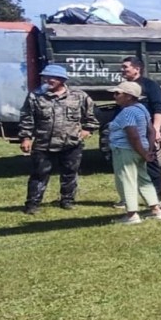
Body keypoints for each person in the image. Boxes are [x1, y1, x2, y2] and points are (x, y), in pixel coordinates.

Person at [18, 64, 99, 214]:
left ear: (62, 80)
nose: (47, 80)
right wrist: (26, 138)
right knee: (39, 175)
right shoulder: (35, 96)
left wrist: (87, 130)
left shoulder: (79, 96)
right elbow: (26, 118)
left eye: (51, 78)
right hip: (44, 143)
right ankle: (32, 205)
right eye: (45, 77)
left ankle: (67, 201)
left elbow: (91, 116)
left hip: (71, 143)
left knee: (70, 173)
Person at [106, 80, 161, 224]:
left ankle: (132, 215)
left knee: (127, 181)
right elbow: (151, 131)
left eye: (117, 93)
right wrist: (149, 150)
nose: (114, 96)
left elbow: (133, 135)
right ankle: (156, 210)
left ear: (129, 96)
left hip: (126, 151)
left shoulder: (127, 112)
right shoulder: (141, 108)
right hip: (141, 150)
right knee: (144, 179)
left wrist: (144, 153)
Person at [119, 55, 161, 207]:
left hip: (146, 132)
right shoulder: (123, 86)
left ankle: (157, 198)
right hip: (128, 130)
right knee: (126, 166)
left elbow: (158, 109)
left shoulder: (150, 85)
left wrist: (156, 130)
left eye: (126, 67)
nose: (122, 70)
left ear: (137, 69)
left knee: (150, 162)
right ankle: (126, 199)